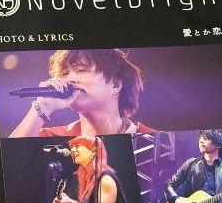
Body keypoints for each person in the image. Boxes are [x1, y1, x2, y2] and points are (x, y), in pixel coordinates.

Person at [9, 49, 152, 139]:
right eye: (65, 74)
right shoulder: (51, 138)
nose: (69, 79)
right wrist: (42, 107)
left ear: (115, 85)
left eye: (82, 70)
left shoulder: (150, 138)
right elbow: (10, 161)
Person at [51, 134, 135, 203]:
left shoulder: (106, 178)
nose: (72, 150)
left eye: (77, 146)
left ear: (94, 150)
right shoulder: (87, 180)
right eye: (71, 147)